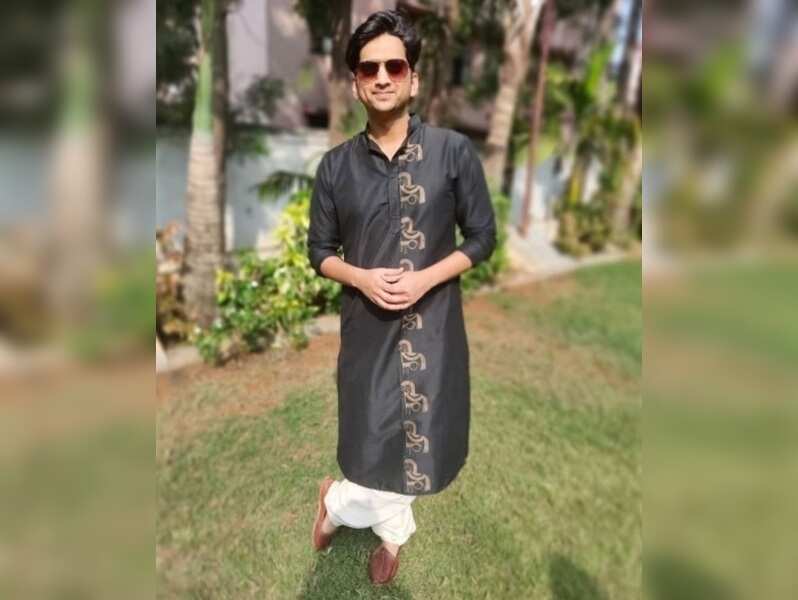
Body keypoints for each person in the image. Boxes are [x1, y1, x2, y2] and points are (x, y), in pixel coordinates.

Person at [307, 9, 496, 586]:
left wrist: (426, 277)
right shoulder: (336, 167)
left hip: (431, 331)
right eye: (370, 69)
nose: (383, 77)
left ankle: (388, 536)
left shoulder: (452, 152)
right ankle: (337, 505)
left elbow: (482, 237)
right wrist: (362, 278)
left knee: (420, 442)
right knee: (370, 444)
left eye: (395, 66)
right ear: (356, 84)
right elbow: (319, 252)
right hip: (367, 333)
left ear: (413, 79)